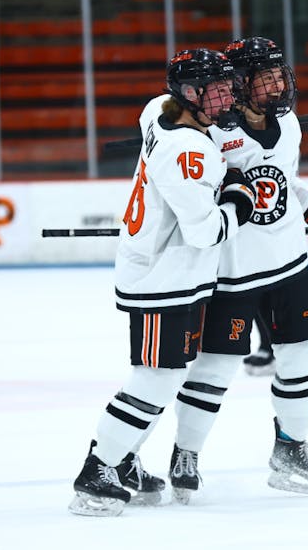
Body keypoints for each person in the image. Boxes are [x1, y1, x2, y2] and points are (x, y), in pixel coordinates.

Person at [68, 48, 256, 516]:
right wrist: (239, 196)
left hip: (169, 275)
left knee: (164, 376)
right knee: (156, 379)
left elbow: (189, 138)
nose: (227, 94)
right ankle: (98, 469)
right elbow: (207, 230)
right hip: (161, 279)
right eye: (215, 88)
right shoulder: (186, 151)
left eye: (226, 85)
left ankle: (124, 461)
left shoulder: (158, 109)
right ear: (190, 94)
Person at [167, 36, 308, 503]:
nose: (278, 85)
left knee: (304, 354)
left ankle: (290, 448)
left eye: (279, 75)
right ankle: (185, 452)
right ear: (239, 84)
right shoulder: (210, 134)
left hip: (290, 264)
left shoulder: (288, 124)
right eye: (265, 78)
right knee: (217, 367)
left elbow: (286, 179)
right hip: (234, 273)